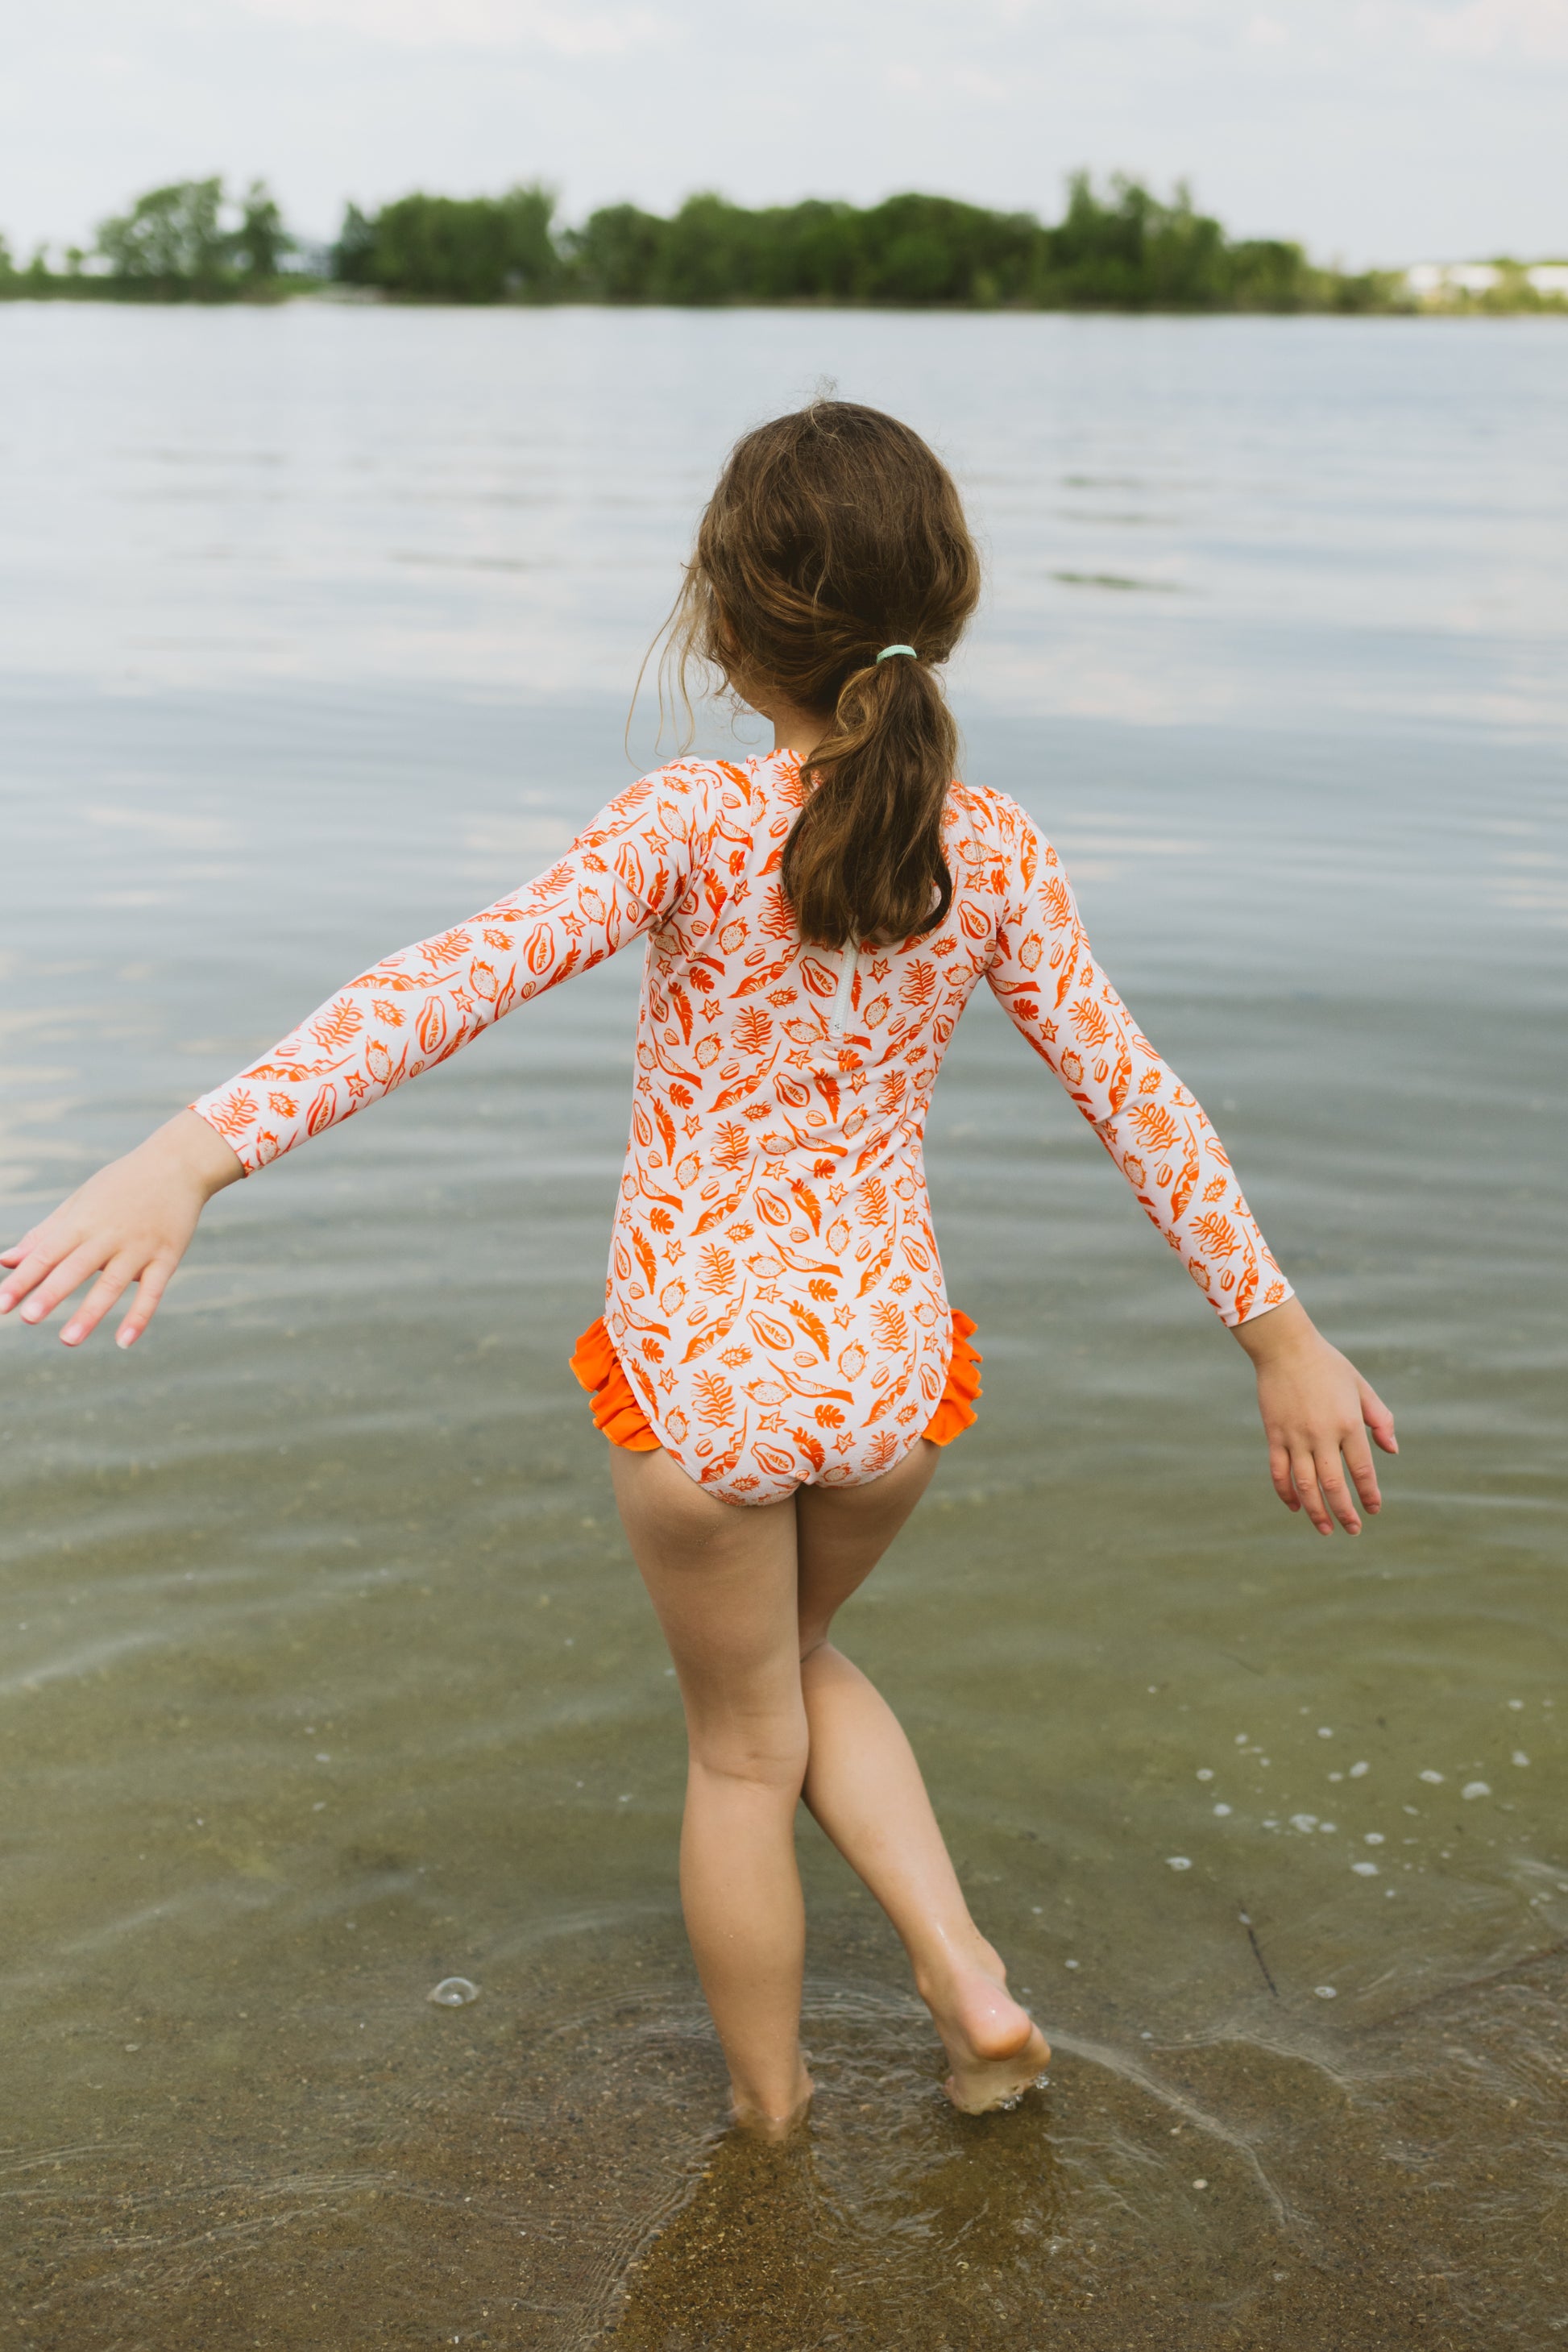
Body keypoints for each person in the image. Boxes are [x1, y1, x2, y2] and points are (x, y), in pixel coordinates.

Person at [0, 400, 1396, 2135]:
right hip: (888, 1383)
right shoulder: (1000, 850)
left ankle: (773, 2122)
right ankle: (965, 1983)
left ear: (727, 628)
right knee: (803, 1666)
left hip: (704, 1386)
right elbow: (1140, 1100)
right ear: (943, 607)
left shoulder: (687, 819)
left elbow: (451, 980)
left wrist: (188, 1149)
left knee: (742, 1745)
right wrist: (1281, 1336)